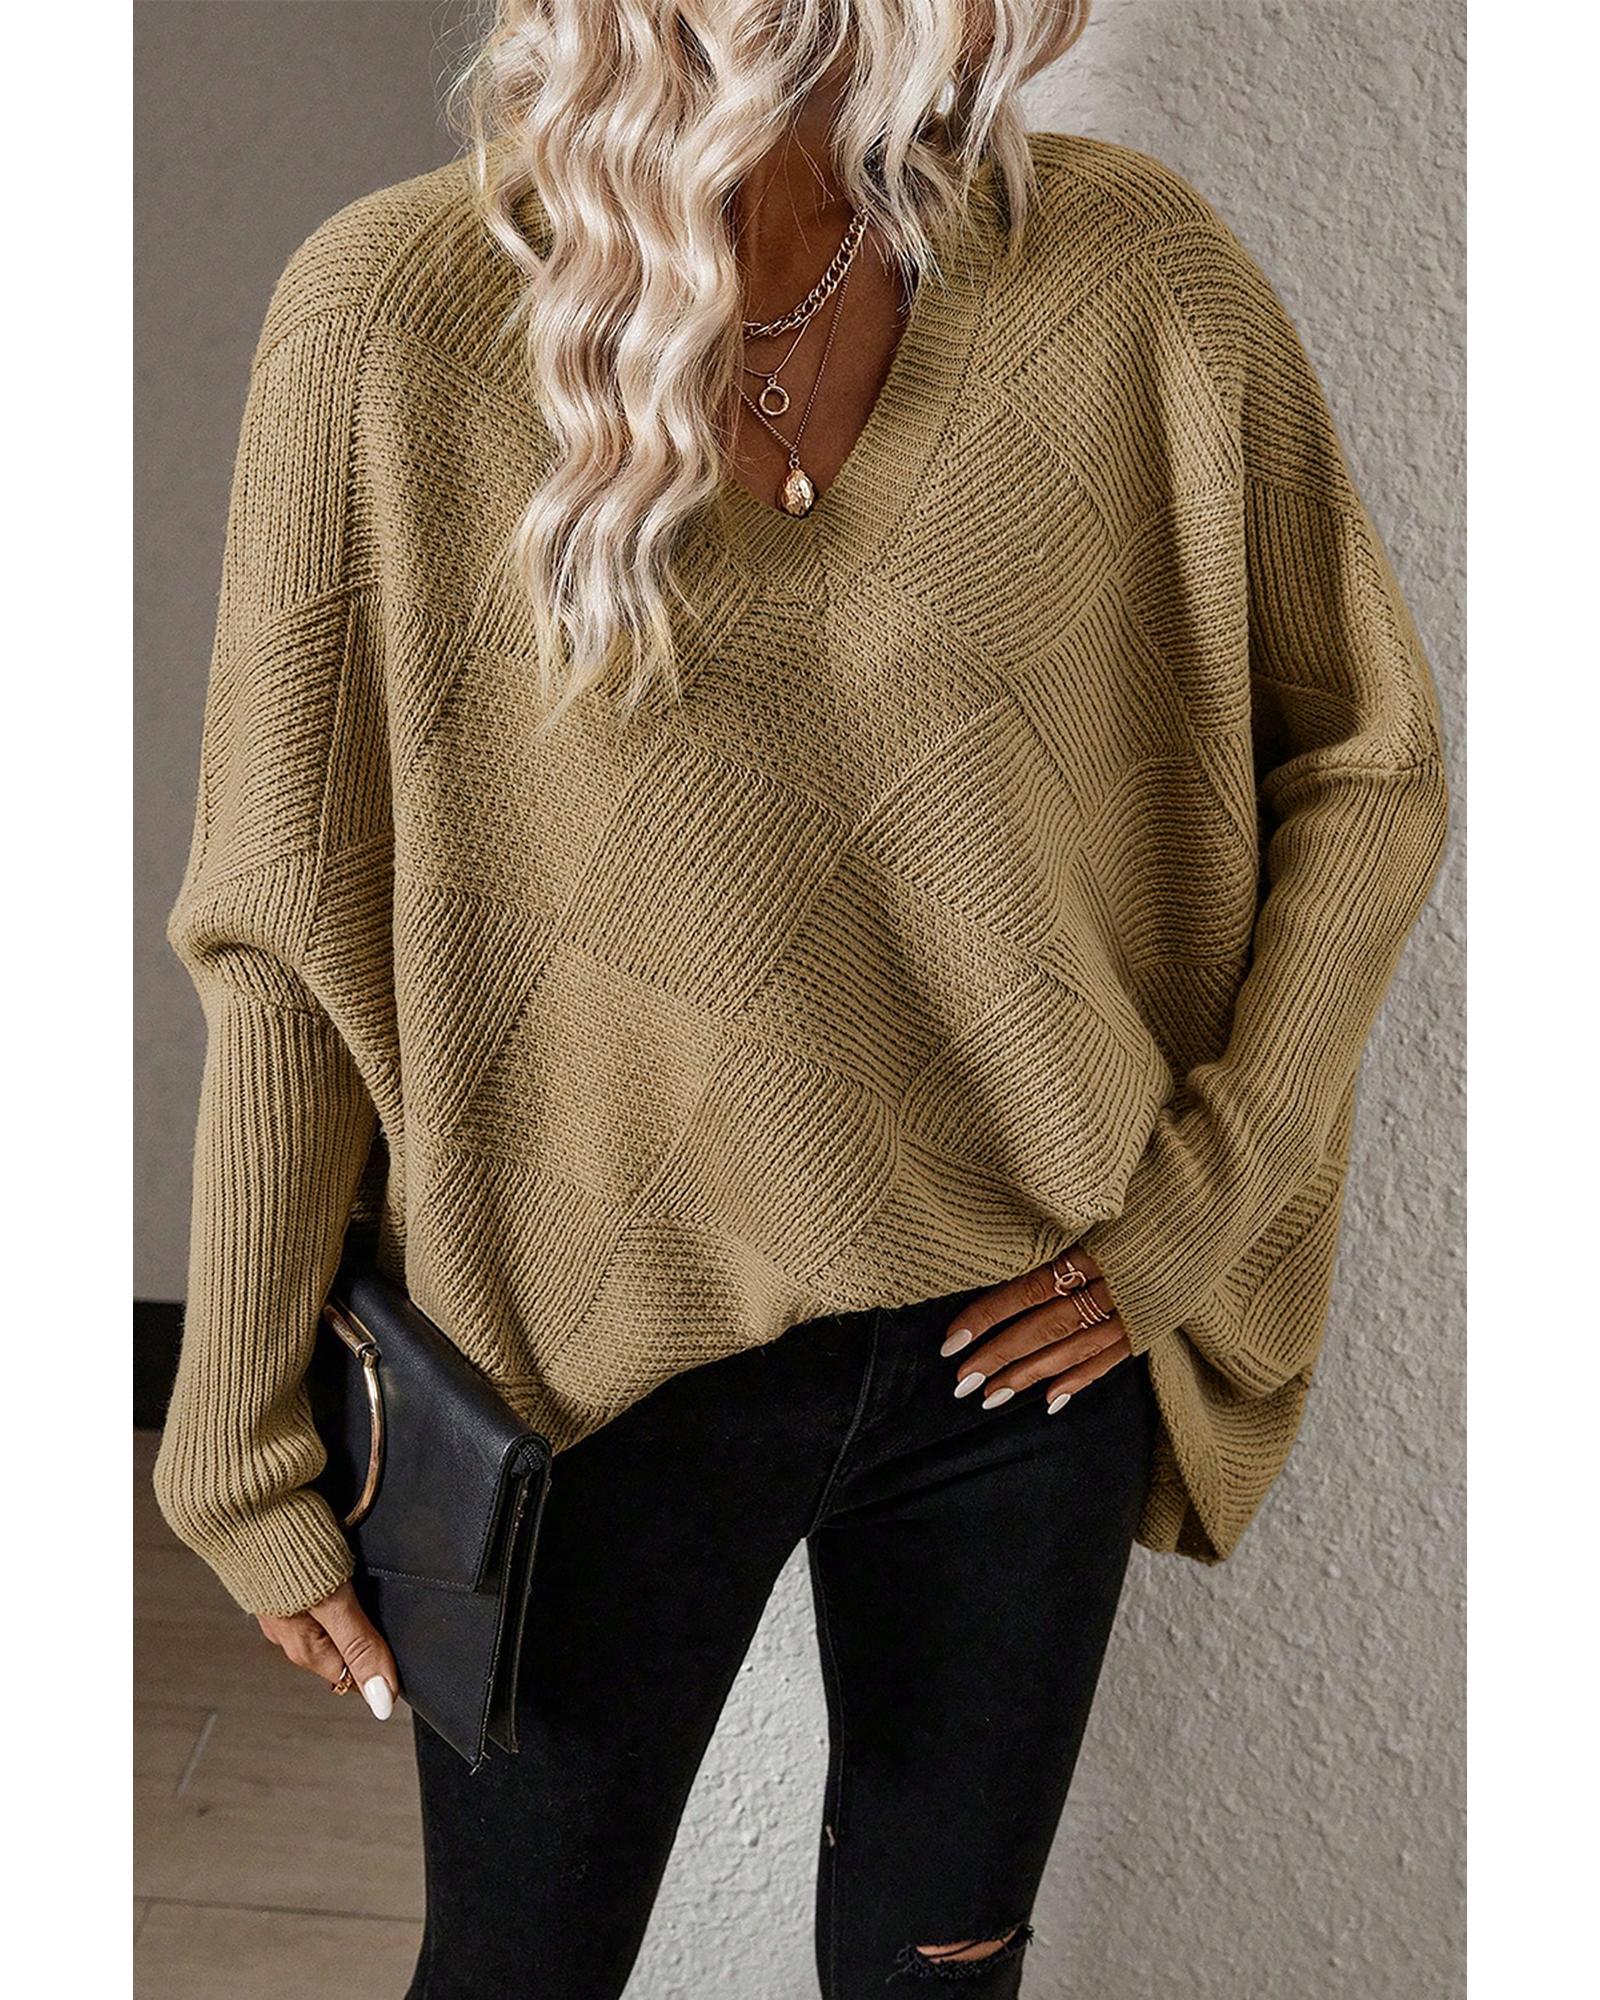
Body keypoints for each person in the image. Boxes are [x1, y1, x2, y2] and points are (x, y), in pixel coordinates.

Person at [151, 4, 1451, 1994]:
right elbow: (284, 921)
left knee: (939, 1973)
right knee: (515, 1973)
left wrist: (1201, 1201)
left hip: (1025, 1354)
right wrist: (236, 1436)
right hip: (584, 1367)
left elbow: (1369, 766)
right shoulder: (391, 319)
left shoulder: (1130, 275)